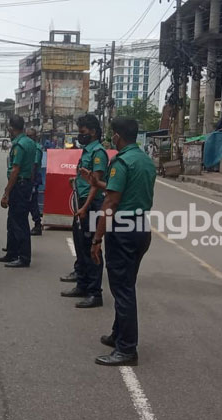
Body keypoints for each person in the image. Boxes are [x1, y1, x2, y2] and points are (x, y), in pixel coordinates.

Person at [90, 117, 156, 366]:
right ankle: (119, 333)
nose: (111, 139)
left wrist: (97, 239)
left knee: (123, 289)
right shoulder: (144, 160)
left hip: (124, 229)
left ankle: (127, 349)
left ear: (118, 136)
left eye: (112, 135)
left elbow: (111, 202)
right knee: (125, 283)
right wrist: (98, 183)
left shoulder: (121, 162)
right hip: (141, 227)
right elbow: (123, 189)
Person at [60, 114, 109, 309]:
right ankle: (82, 285)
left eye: (83, 132)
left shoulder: (98, 153)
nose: (80, 136)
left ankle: (94, 293)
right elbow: (86, 179)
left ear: (93, 132)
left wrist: (85, 207)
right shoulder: (87, 151)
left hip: (91, 205)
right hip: (82, 204)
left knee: (91, 249)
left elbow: (95, 185)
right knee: (80, 247)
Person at [0, 116, 37, 268]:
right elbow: (33, 167)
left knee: (19, 222)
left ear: (12, 128)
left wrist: (7, 191)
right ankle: (11, 253)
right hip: (25, 184)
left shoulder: (19, 145)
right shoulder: (31, 143)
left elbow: (15, 170)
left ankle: (23, 257)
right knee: (12, 220)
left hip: (19, 185)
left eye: (9, 128)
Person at [26, 128, 44, 236]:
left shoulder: (36, 148)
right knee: (31, 203)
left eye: (30, 136)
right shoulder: (31, 147)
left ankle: (38, 224)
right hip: (31, 178)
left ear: (35, 137)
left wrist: (31, 182)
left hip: (33, 178)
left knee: (32, 203)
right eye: (27, 136)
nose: (28, 138)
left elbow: (34, 165)